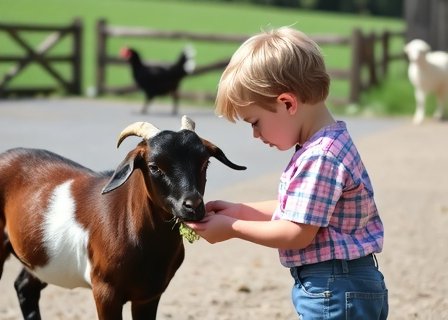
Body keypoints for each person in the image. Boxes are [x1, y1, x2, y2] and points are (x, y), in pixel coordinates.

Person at [185, 26, 388, 319]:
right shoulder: (324, 144)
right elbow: (298, 211)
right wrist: (238, 210)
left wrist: (232, 228)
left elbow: (297, 232)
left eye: (254, 122)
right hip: (345, 283)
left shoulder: (320, 157)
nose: (255, 134)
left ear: (287, 103)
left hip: (334, 287)